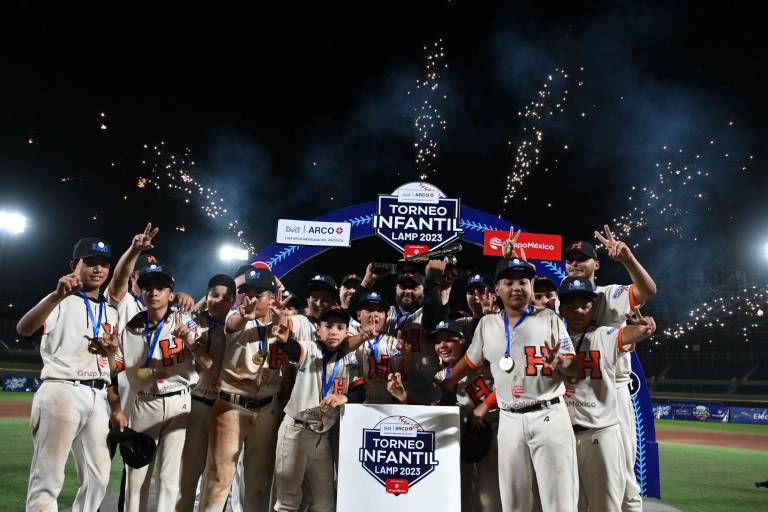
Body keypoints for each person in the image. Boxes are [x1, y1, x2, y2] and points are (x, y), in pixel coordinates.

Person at [442, 257, 579, 512]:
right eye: (509, 282)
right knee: (513, 501)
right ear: (497, 290)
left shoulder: (550, 318)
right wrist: (448, 380)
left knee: (559, 501)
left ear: (531, 285)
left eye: (523, 281)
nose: (517, 287)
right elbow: (471, 361)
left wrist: (563, 362)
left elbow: (575, 369)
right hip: (509, 419)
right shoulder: (487, 324)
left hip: (548, 413)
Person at [17, 237, 120, 511]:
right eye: (91, 263)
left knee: (99, 477)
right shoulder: (58, 300)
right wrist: (54, 296)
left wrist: (110, 355)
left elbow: (110, 367)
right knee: (48, 477)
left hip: (97, 395)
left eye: (104, 265)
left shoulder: (110, 312)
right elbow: (24, 329)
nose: (98, 269)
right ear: (75, 265)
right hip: (61, 389)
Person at [564, 225, 657, 512]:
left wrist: (627, 258)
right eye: (571, 259)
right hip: (577, 388)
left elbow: (647, 291)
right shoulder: (562, 298)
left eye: (583, 258)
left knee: (624, 478)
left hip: (612, 388)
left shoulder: (608, 294)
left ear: (597, 264)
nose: (576, 263)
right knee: (575, 484)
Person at [114, 264, 213, 512]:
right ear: (140, 292)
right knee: (136, 476)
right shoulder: (131, 326)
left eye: (160, 288)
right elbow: (116, 364)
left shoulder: (187, 321)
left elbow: (208, 363)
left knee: (170, 478)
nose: (154, 292)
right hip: (146, 401)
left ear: (171, 294)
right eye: (148, 288)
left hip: (180, 401)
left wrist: (191, 342)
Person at [198, 267, 289, 511]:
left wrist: (280, 315)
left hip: (267, 408)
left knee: (259, 486)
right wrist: (244, 314)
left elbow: (289, 342)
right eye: (247, 292)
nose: (252, 298)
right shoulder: (234, 318)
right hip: (231, 406)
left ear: (272, 296)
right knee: (218, 482)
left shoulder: (283, 323)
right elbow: (231, 326)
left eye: (259, 293)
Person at [272, 306, 366, 512]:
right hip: (295, 432)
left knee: (325, 504)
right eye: (328, 326)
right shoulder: (311, 348)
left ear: (346, 333)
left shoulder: (350, 359)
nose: (333, 331)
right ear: (318, 330)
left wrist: (345, 397)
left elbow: (361, 393)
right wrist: (286, 341)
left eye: (340, 327)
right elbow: (295, 350)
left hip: (322, 437)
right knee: (288, 502)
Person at [176, 274, 237, 512]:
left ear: (233, 301)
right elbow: (178, 310)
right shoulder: (193, 322)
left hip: (225, 408)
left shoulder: (235, 326)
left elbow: (210, 362)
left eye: (225, 298)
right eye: (214, 295)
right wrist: (180, 295)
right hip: (197, 403)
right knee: (188, 476)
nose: (219, 301)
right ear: (207, 295)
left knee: (217, 479)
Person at [431, 320, 501, 512]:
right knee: (460, 495)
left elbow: (510, 387)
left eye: (448, 340)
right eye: (437, 342)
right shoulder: (439, 378)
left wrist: (486, 405)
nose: (442, 346)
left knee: (489, 497)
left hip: (496, 433)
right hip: (463, 441)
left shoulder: (484, 365)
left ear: (463, 341)